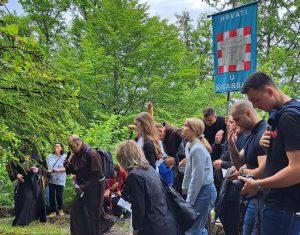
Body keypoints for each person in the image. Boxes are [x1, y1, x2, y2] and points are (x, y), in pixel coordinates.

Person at [239, 71, 300, 235]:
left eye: (256, 100)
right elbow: (284, 158)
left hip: (285, 209)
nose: (256, 106)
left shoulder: (289, 116)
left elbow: (297, 169)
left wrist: (258, 184)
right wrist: (267, 147)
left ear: (270, 91)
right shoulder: (280, 114)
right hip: (281, 207)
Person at [116, 140, 181, 235]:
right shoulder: (150, 169)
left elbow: (139, 207)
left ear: (124, 159)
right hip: (166, 221)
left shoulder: (134, 175)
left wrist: (136, 229)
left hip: (153, 227)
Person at [227, 100, 267, 235]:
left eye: (237, 119)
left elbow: (262, 171)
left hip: (262, 199)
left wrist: (242, 172)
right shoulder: (251, 135)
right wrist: (231, 143)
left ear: (248, 113)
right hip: (250, 199)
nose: (236, 124)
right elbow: (238, 163)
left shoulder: (263, 132)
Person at [182, 118, 217, 235]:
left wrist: (189, 201)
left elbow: (197, 178)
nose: (182, 127)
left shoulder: (197, 149)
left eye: (185, 125)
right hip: (201, 191)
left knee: (193, 230)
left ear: (194, 130)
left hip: (204, 191)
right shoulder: (190, 145)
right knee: (198, 229)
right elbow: (191, 170)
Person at [213, 115, 247, 235]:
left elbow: (240, 164)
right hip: (225, 185)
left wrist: (222, 164)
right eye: (228, 122)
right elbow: (218, 156)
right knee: (224, 217)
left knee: (234, 223)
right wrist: (217, 143)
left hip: (236, 190)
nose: (229, 124)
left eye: (232, 122)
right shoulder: (229, 138)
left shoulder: (244, 138)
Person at [64, 135, 105, 235]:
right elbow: (72, 170)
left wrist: (83, 187)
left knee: (91, 215)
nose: (71, 149)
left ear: (78, 144)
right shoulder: (76, 154)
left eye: (71, 147)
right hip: (82, 188)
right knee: (76, 211)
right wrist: (67, 163)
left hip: (94, 189)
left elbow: (98, 175)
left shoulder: (91, 153)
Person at [7, 145, 47, 226]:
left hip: (35, 180)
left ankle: (37, 218)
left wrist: (38, 169)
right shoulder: (18, 151)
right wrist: (16, 174)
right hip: (23, 180)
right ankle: (21, 221)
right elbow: (10, 166)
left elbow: (44, 168)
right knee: (25, 197)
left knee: (37, 199)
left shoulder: (39, 151)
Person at [46, 143, 67, 217]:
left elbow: (67, 168)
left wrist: (58, 170)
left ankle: (60, 209)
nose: (56, 147)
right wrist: (49, 170)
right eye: (55, 146)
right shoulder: (50, 156)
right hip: (51, 178)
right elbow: (48, 166)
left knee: (59, 196)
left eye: (58, 146)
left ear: (61, 148)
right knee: (51, 196)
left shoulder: (65, 157)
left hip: (60, 179)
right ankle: (53, 211)